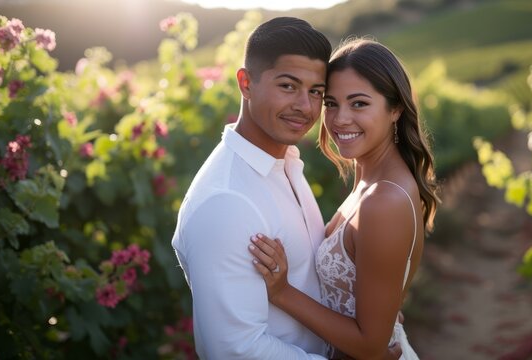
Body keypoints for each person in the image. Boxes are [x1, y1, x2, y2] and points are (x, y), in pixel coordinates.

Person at [171, 17, 401, 359]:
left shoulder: (286, 164)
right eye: (288, 86)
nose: (306, 108)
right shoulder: (226, 201)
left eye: (316, 93)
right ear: (246, 83)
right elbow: (233, 350)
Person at [248, 38, 440, 359]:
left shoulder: (384, 199)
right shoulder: (370, 178)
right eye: (331, 103)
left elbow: (369, 346)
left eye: (359, 103)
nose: (339, 119)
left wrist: (282, 293)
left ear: (395, 109)